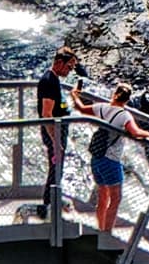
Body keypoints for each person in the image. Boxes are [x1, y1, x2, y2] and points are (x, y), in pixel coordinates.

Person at [87, 88, 137, 237]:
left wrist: (75, 95)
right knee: (116, 198)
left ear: (114, 94)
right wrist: (147, 134)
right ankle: (107, 233)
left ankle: (101, 227)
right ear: (127, 100)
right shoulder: (124, 115)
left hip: (96, 159)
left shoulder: (103, 107)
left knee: (103, 196)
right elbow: (135, 132)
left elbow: (82, 108)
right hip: (111, 161)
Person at [33, 43, 78, 206]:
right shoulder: (48, 81)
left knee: (57, 167)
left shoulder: (54, 80)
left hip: (58, 131)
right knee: (55, 167)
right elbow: (46, 114)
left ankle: (52, 200)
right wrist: (55, 141)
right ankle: (49, 203)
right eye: (69, 66)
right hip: (54, 133)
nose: (70, 70)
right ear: (59, 62)